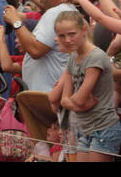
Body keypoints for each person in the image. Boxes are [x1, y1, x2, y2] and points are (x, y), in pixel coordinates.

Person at [49, 9, 120, 161]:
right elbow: (64, 100)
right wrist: (76, 103)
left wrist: (74, 102)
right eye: (62, 36)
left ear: (84, 31)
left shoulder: (96, 57)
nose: (67, 40)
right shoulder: (73, 57)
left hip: (103, 128)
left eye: (72, 34)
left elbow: (77, 99)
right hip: (85, 127)